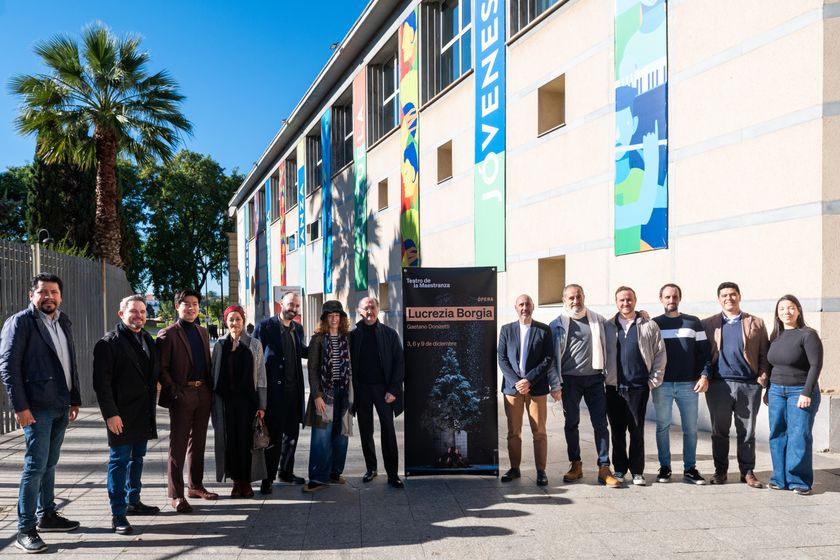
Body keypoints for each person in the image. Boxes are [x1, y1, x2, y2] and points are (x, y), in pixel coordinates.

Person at [0, 273, 81, 553]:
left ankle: (47, 515)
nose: (49, 297)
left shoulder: (63, 320)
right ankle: (25, 529)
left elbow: (69, 361)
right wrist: (20, 408)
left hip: (60, 404)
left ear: (60, 295)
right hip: (36, 407)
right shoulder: (21, 322)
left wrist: (74, 398)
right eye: (43, 292)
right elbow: (8, 367)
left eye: (54, 292)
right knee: (35, 466)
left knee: (50, 463)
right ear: (31, 295)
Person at [92, 294, 161, 536]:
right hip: (120, 415)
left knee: (138, 458)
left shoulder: (148, 339)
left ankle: (134, 501)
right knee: (119, 461)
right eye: (133, 311)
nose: (139, 315)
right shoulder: (108, 343)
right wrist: (110, 414)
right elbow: (102, 384)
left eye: (142, 311)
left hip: (142, 413)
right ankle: (118, 514)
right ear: (121, 314)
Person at [549, 284, 621, 488]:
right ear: (564, 300)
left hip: (595, 380)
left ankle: (604, 467)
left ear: (583, 297)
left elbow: (620, 321)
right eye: (571, 298)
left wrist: (641, 315)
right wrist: (555, 384)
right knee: (571, 423)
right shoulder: (557, 325)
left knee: (600, 424)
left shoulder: (597, 320)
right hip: (569, 381)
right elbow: (552, 359)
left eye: (578, 296)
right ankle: (576, 465)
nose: (575, 301)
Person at [701, 282, 769, 488]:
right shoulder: (708, 323)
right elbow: (702, 354)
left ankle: (747, 472)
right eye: (724, 295)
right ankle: (720, 471)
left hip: (748, 386)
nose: (728, 298)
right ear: (718, 299)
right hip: (718, 385)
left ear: (739, 296)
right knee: (719, 431)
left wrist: (761, 381)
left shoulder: (756, 322)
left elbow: (764, 354)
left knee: (747, 431)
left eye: (732, 294)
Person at [156, 289, 218, 513]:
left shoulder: (202, 332)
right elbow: (161, 368)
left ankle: (195, 485)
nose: (191, 308)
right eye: (186, 304)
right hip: (182, 395)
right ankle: (176, 494)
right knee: (178, 445)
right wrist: (175, 392)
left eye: (195, 304)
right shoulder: (168, 334)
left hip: (203, 393)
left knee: (199, 443)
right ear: (177, 307)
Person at [605, 286, 666, 486]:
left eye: (629, 299)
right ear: (616, 303)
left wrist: (652, 381)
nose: (625, 303)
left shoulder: (649, 325)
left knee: (637, 430)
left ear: (635, 300)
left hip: (638, 387)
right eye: (621, 300)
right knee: (617, 431)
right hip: (614, 387)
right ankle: (620, 469)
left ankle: (638, 471)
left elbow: (659, 354)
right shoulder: (608, 326)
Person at [651, 283, 711, 484]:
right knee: (662, 427)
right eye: (667, 297)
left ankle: (690, 469)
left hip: (688, 385)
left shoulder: (693, 322)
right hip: (662, 385)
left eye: (674, 296)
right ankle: (665, 468)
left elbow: (704, 352)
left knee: (690, 429)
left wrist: (704, 376)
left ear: (679, 298)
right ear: (661, 299)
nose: (671, 300)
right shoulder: (654, 323)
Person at [497, 294, 558, 486]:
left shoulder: (544, 330)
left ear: (533, 307)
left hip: (537, 388)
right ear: (516, 307)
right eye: (521, 304)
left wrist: (529, 380)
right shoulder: (506, 330)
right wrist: (517, 382)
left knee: (539, 431)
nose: (525, 307)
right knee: (513, 431)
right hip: (512, 388)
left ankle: (541, 471)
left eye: (528, 304)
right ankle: (515, 469)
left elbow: (548, 359)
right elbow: (502, 358)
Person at [766, 294, 823, 495]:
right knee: (777, 434)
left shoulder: (808, 334)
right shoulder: (776, 336)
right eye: (782, 309)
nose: (786, 312)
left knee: (799, 436)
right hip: (776, 391)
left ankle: (799, 481)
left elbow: (816, 365)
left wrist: (807, 392)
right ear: (777, 313)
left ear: (798, 310)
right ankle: (779, 479)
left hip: (800, 391)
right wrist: (767, 391)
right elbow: (771, 365)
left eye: (791, 308)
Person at [253, 291, 308, 493]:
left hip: (294, 392)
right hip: (274, 393)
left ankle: (286, 472)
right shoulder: (265, 327)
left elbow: (303, 351)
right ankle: (267, 479)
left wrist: (324, 343)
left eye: (296, 306)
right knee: (274, 437)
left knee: (291, 435)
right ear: (281, 304)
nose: (293, 309)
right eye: (290, 305)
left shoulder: (298, 329)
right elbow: (255, 358)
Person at [211, 305, 267, 498]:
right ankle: (236, 482)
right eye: (231, 320)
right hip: (226, 404)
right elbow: (214, 376)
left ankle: (247, 482)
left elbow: (260, 376)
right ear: (226, 322)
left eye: (238, 319)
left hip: (248, 403)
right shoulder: (219, 345)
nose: (235, 323)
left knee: (246, 443)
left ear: (243, 321)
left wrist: (262, 405)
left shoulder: (254, 344)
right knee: (230, 443)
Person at [349, 296, 405, 488]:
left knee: (388, 431)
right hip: (362, 390)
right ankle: (371, 468)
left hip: (384, 391)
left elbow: (399, 363)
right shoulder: (353, 336)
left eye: (373, 307)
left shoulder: (389, 334)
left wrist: (394, 390)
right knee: (365, 431)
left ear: (378, 309)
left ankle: (392, 474)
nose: (370, 311)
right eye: (366, 308)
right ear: (359, 311)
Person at [303, 300, 354, 493]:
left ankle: (334, 472)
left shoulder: (347, 338)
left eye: (337, 315)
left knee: (342, 435)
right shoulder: (318, 340)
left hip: (344, 392)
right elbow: (313, 369)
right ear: (325, 318)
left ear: (341, 318)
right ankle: (317, 477)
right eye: (330, 315)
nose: (334, 319)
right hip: (326, 393)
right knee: (322, 436)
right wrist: (316, 395)